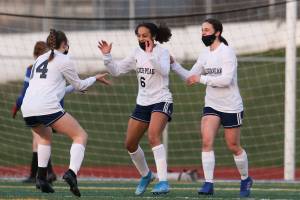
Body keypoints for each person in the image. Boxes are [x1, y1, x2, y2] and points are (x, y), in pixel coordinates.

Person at [21, 29, 110, 197]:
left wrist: (80, 86)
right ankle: (71, 173)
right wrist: (94, 79)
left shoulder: (40, 59)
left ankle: (41, 178)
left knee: (45, 136)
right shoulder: (65, 59)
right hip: (46, 106)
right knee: (80, 136)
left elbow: (54, 89)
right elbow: (79, 86)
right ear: (65, 44)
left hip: (28, 107)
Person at [171, 18, 253, 197]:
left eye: (207, 30)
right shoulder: (204, 54)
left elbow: (226, 80)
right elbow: (191, 76)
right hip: (212, 105)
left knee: (233, 145)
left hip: (231, 106)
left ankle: (245, 178)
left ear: (218, 33)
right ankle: (208, 184)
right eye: (202, 30)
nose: (203, 33)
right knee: (207, 141)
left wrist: (201, 79)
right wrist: (174, 64)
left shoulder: (227, 52)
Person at [98, 22, 174, 196]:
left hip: (161, 100)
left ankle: (163, 182)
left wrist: (151, 55)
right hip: (143, 103)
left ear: (153, 36)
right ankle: (146, 175)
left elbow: (164, 71)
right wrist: (107, 56)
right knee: (130, 144)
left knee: (154, 135)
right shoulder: (135, 53)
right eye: (139, 36)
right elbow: (116, 71)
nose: (141, 39)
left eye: (145, 35)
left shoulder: (162, 52)